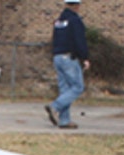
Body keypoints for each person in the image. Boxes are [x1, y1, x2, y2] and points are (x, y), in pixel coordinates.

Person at [46, 0, 90, 129]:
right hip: (68, 57)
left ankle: (64, 121)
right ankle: (55, 106)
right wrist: (85, 57)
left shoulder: (59, 21)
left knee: (65, 89)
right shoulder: (75, 21)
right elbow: (79, 39)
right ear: (77, 5)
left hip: (57, 56)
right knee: (78, 87)